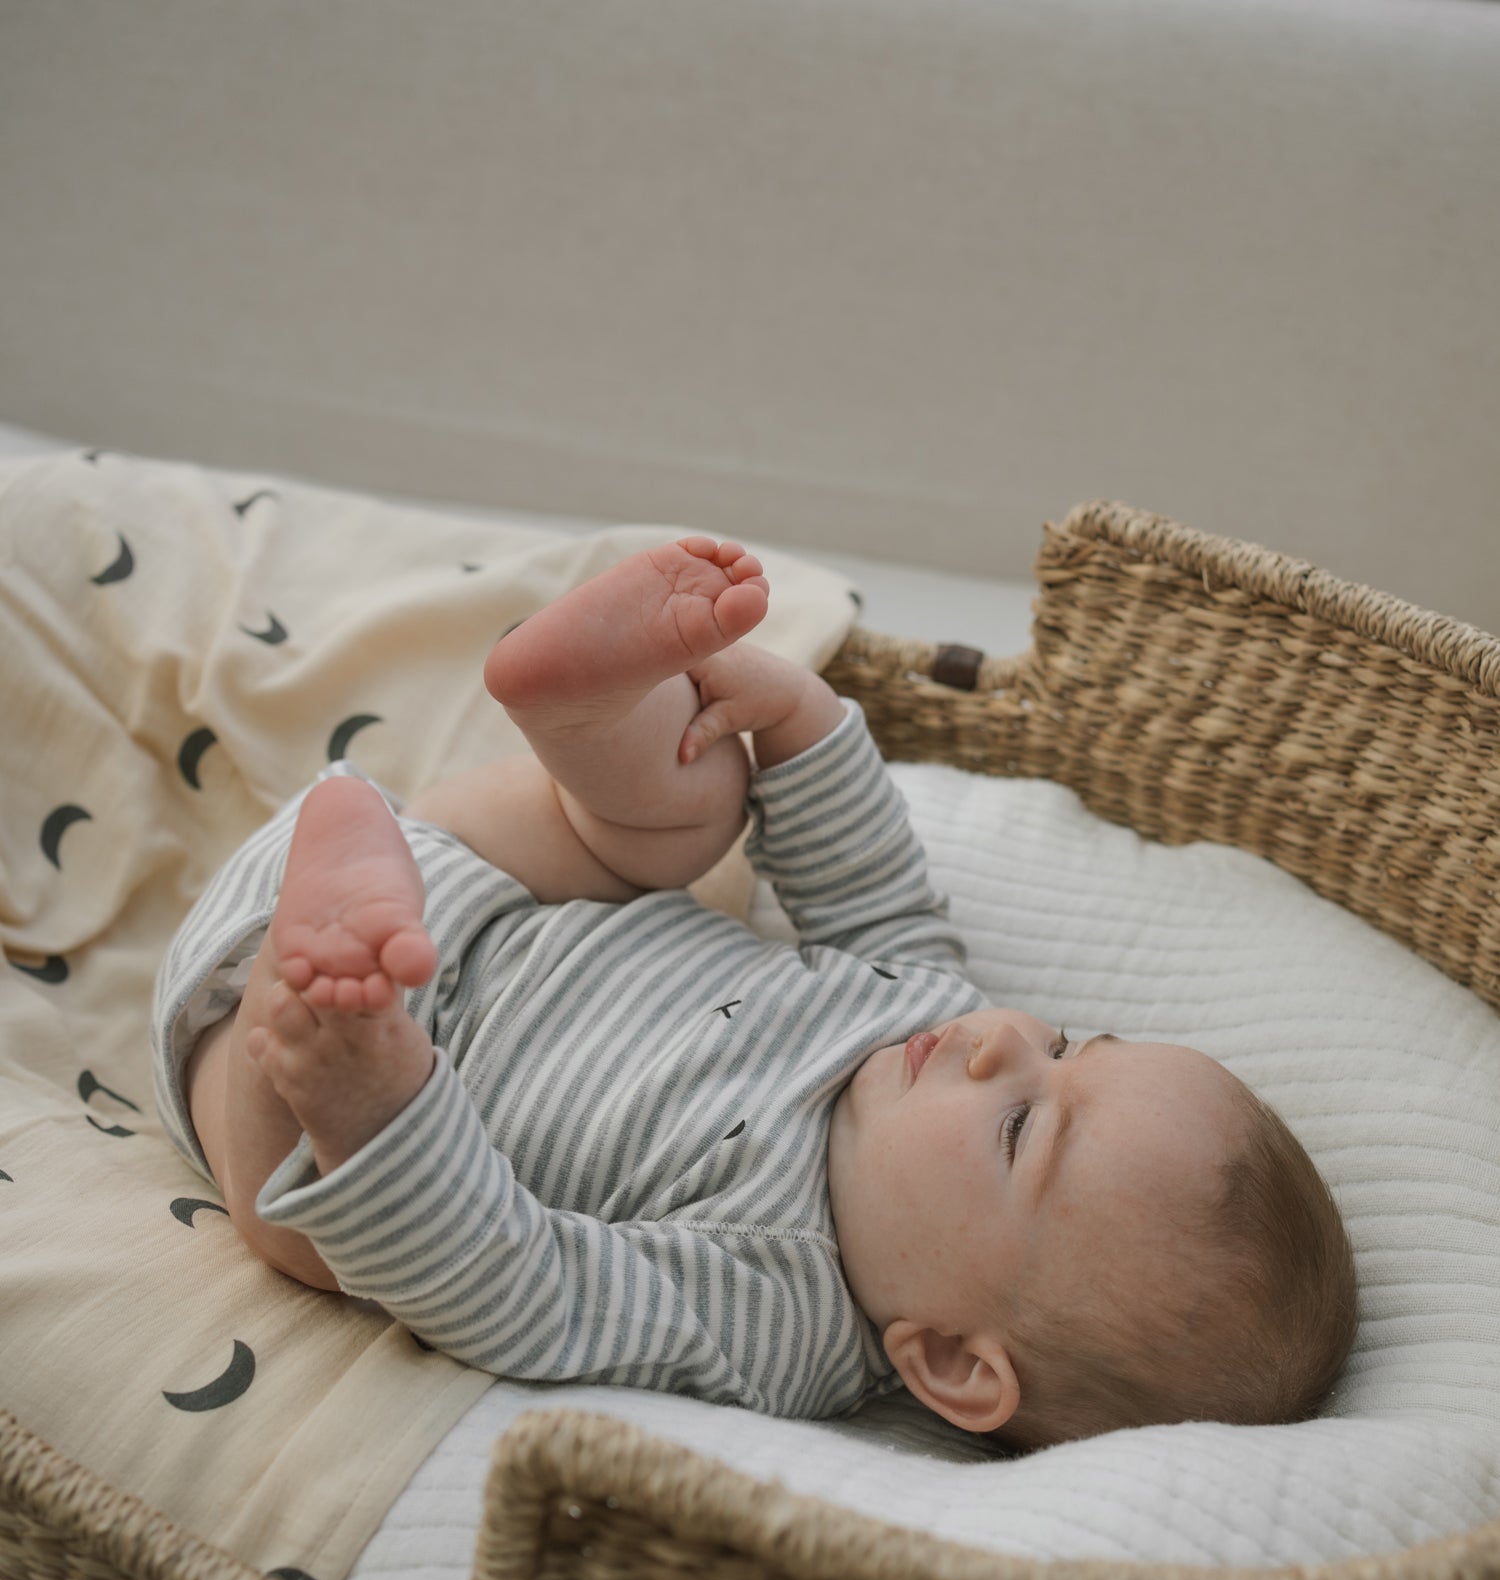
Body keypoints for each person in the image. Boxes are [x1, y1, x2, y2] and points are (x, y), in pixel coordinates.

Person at [151, 537, 1359, 1451]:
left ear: (949, 1359)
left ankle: (328, 1008)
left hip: (316, 1059)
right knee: (690, 822)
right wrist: (801, 725)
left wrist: (372, 1090)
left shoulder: (771, 1315)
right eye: (1068, 1043)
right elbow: (874, 888)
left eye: (1024, 1125)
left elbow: (525, 1285)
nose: (1001, 1041)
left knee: (312, 1237)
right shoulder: (919, 1018)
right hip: (458, 884)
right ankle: (580, 712)